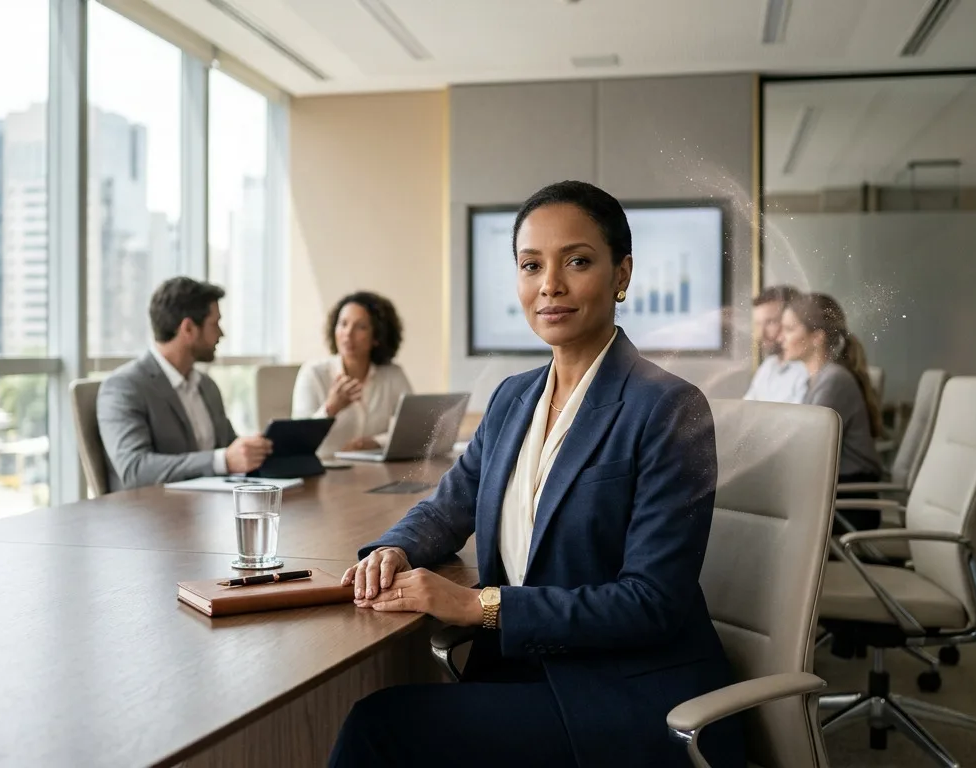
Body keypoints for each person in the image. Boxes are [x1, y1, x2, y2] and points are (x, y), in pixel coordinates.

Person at [329, 181, 744, 768]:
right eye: (531, 265)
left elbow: (651, 602)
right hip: (520, 670)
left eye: (577, 261)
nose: (550, 284)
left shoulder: (669, 407)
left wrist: (481, 608)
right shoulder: (511, 398)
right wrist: (394, 549)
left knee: (380, 727)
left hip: (622, 692)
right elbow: (450, 506)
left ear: (621, 274)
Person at [97, 278, 272, 492]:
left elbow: (229, 449)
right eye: (214, 324)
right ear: (188, 328)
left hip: (208, 509)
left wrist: (254, 450)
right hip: (153, 517)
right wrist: (221, 461)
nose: (221, 334)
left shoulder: (207, 386)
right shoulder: (124, 388)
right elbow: (135, 470)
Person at [779, 292, 885, 530]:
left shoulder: (834, 381)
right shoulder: (817, 379)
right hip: (834, 499)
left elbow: (807, 449)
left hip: (848, 507)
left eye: (789, 329)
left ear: (817, 336)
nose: (781, 338)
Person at [291, 291, 413, 455]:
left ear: (377, 337)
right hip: (326, 471)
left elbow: (412, 431)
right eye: (343, 324)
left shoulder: (392, 375)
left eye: (361, 327)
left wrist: (375, 442)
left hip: (375, 471)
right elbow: (297, 441)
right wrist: (331, 408)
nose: (348, 334)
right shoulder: (313, 373)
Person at [743, 284, 808, 403]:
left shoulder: (807, 371)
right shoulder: (768, 366)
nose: (761, 334)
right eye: (758, 324)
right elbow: (744, 412)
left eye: (770, 322)